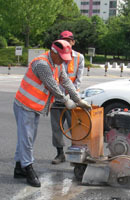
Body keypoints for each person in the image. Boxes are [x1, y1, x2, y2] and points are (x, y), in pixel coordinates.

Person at [13, 39, 91, 187]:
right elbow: (52, 85)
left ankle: (19, 168)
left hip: (35, 106)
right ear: (54, 52)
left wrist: (78, 99)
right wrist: (66, 100)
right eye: (61, 57)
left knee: (27, 138)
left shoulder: (57, 64)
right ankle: (28, 169)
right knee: (27, 139)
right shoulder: (41, 64)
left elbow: (66, 81)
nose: (63, 61)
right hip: (25, 104)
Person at [50, 31, 85, 164]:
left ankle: (76, 153)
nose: (67, 42)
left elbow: (78, 79)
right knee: (56, 127)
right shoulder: (55, 56)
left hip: (72, 96)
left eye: (69, 40)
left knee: (75, 127)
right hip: (57, 98)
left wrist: (73, 96)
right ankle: (60, 154)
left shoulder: (79, 57)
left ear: (73, 42)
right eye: (63, 40)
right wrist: (60, 95)